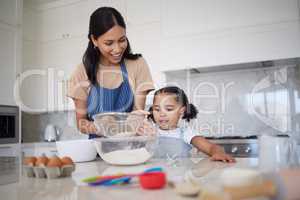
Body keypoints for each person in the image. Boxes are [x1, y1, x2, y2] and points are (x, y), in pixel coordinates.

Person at [67, 7, 155, 138]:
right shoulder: (82, 72)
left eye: (122, 40)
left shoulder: (137, 64)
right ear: (94, 40)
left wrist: (125, 129)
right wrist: (100, 128)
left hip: (129, 145)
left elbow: (137, 112)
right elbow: (81, 123)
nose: (117, 49)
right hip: (99, 150)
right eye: (109, 43)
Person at [148, 86, 235, 162]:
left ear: (181, 111)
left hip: (180, 178)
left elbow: (211, 147)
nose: (162, 114)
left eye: (169, 109)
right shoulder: (149, 130)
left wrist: (218, 153)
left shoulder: (186, 133)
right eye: (157, 109)